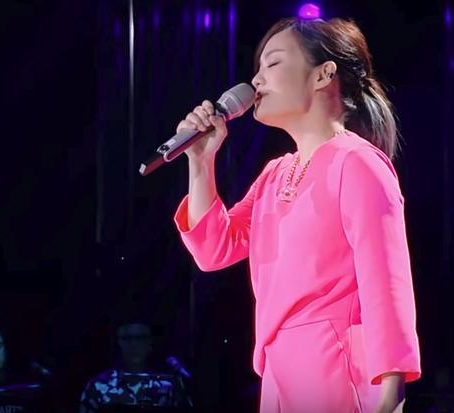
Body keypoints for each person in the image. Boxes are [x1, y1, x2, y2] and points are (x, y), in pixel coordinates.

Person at [172, 16, 421, 413]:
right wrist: (201, 163)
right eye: (258, 68)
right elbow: (214, 249)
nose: (256, 80)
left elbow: (385, 280)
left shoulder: (356, 162)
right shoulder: (275, 175)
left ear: (323, 74)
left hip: (333, 362)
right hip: (277, 370)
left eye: (273, 62)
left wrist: (392, 391)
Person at [79, 319, 190, 412]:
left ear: (150, 344)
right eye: (127, 338)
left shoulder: (167, 386)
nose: (134, 345)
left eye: (140, 338)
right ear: (119, 343)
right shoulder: (98, 385)